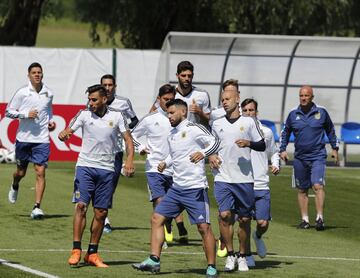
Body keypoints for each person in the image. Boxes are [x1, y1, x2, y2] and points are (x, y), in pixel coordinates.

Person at [132, 99, 220, 278]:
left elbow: (216, 142)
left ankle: (211, 266)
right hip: (177, 188)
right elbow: (177, 155)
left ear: (183, 112)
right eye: (168, 113)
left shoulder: (195, 129)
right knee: (157, 218)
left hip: (195, 189)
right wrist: (166, 162)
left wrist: (203, 153)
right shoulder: (172, 134)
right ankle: (154, 260)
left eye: (172, 113)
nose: (169, 116)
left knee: (204, 228)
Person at [58, 84, 135, 267]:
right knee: (81, 206)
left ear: (104, 99)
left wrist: (130, 160)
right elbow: (69, 130)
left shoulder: (117, 116)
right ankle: (76, 249)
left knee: (101, 212)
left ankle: (92, 253)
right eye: (89, 99)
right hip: (85, 166)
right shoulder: (83, 114)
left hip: (107, 169)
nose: (90, 103)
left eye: (94, 100)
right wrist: (65, 133)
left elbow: (128, 140)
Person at [209, 79, 265, 272]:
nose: (224, 102)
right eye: (222, 99)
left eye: (227, 98)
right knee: (224, 215)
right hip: (223, 177)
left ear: (237, 99)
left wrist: (248, 143)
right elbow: (211, 146)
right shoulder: (216, 124)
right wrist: (212, 156)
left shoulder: (248, 122)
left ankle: (243, 255)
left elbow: (262, 144)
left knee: (244, 220)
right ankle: (231, 255)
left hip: (244, 178)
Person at [131, 84, 188, 244]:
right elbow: (132, 136)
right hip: (154, 168)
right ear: (159, 99)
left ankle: (167, 222)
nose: (168, 102)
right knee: (159, 201)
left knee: (180, 202)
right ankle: (160, 239)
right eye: (165, 99)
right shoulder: (150, 119)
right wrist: (141, 147)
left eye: (171, 99)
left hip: (176, 169)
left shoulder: (180, 120)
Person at [279, 85, 339, 231]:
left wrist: (335, 149)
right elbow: (285, 132)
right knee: (302, 189)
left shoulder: (321, 112)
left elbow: (330, 130)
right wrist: (283, 150)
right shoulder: (293, 114)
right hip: (300, 157)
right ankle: (305, 220)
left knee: (318, 186)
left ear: (312, 97)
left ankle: (320, 218)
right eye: (301, 95)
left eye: (306, 95)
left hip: (318, 155)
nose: (303, 98)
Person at [6, 62, 56, 219]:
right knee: (20, 172)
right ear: (28, 75)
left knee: (40, 171)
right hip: (24, 139)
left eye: (39, 72)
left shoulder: (49, 92)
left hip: (42, 139)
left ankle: (37, 207)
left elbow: (48, 110)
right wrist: (25, 114)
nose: (37, 74)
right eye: (34, 72)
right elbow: (8, 112)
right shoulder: (22, 92)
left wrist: (51, 121)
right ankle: (15, 184)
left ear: (42, 74)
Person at [241, 98, 280, 267]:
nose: (249, 113)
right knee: (244, 222)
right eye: (246, 110)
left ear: (257, 112)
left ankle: (257, 236)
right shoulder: (237, 131)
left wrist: (275, 164)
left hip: (262, 184)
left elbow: (274, 152)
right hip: (243, 183)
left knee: (262, 223)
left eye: (252, 110)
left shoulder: (267, 132)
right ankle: (247, 255)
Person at [100, 74, 139, 233]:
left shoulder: (123, 102)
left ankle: (103, 214)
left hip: (116, 150)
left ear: (115, 86)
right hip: (99, 150)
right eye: (105, 85)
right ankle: (104, 219)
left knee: (111, 185)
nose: (108, 88)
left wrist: (124, 131)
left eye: (110, 85)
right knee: (101, 183)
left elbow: (135, 120)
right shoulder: (95, 100)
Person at [151, 61, 211, 127]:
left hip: (193, 135)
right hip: (174, 134)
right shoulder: (169, 93)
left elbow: (210, 120)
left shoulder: (202, 94)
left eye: (189, 76)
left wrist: (200, 112)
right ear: (177, 75)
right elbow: (152, 113)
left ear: (193, 76)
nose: (186, 78)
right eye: (183, 75)